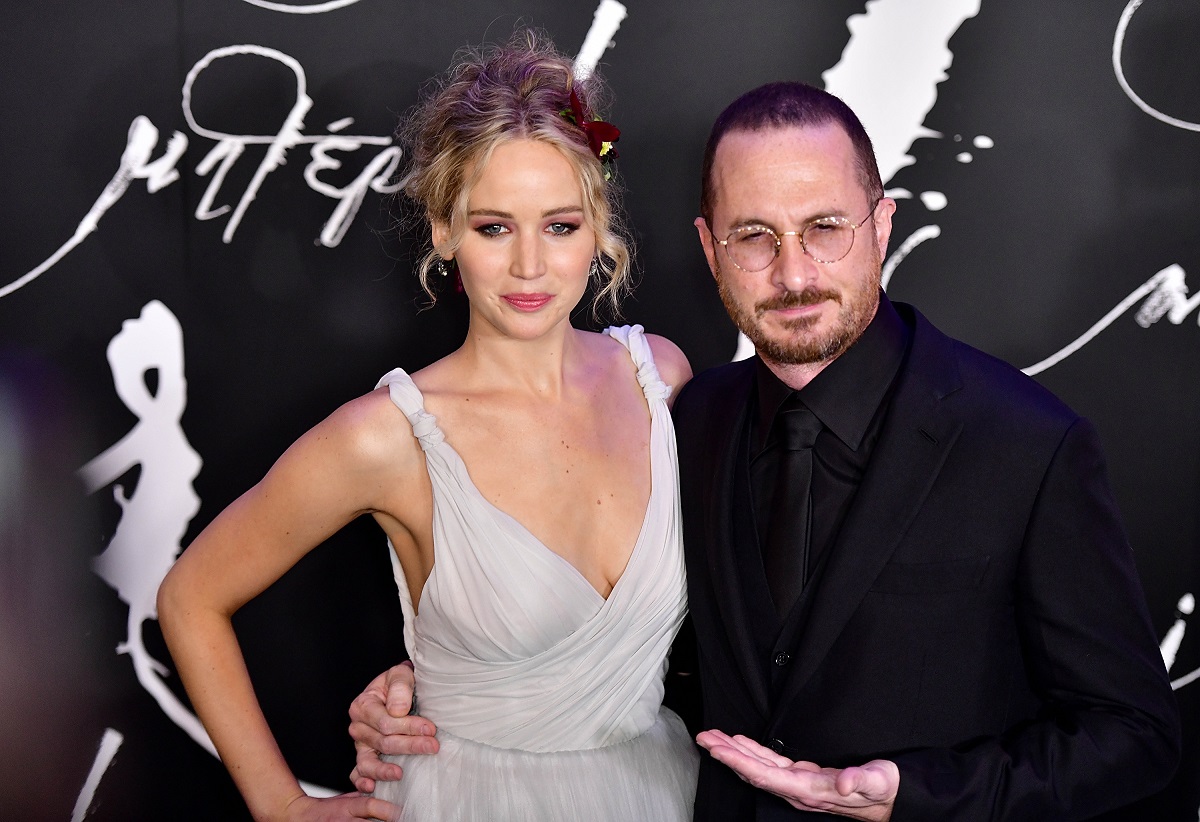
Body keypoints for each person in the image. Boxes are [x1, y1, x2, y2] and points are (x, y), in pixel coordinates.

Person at [348, 81, 1181, 821]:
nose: (793, 273)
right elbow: (659, 656)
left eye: (824, 228)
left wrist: (920, 794)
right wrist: (455, 686)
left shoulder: (1027, 446)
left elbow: (1136, 737)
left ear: (881, 225)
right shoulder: (688, 414)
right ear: (711, 250)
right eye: (755, 236)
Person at [157, 31, 697, 822]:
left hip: (657, 793)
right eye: (492, 227)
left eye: (559, 225)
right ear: (443, 230)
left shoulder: (663, 378)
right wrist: (281, 807)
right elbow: (190, 597)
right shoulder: (389, 437)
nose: (529, 268)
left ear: (597, 225)